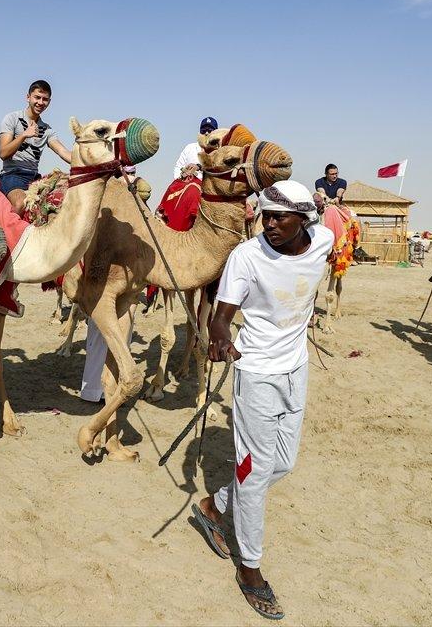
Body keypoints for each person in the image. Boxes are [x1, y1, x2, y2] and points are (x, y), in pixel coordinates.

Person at [190, 180, 331, 620]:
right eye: (265, 215)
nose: (268, 224)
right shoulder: (247, 256)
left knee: (282, 464)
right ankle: (250, 569)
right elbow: (222, 314)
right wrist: (218, 338)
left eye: (279, 217)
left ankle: (213, 506)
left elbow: (328, 235)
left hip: (297, 368)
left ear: (304, 219)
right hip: (256, 373)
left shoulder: (323, 240)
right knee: (253, 474)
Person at [0, 80, 72, 214]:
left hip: (35, 179)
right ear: (28, 97)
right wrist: (24, 135)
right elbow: (3, 153)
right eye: (37, 97)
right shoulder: (12, 119)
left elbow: (62, 151)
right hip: (12, 175)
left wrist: (88, 160)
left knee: (63, 201)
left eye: (45, 99)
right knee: (21, 204)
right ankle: (9, 234)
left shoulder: (47, 130)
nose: (40, 102)